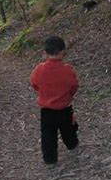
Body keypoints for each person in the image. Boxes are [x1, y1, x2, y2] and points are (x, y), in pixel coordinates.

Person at [30, 36, 79, 165]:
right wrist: (68, 96)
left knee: (48, 135)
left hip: (46, 111)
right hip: (64, 108)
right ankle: (72, 144)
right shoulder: (68, 70)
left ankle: (50, 158)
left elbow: (34, 83)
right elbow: (74, 86)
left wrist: (43, 93)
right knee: (68, 129)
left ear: (45, 53)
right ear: (62, 52)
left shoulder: (39, 69)